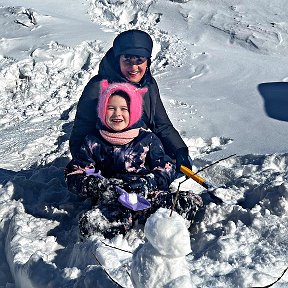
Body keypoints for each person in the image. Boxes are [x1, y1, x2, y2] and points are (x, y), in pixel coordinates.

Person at [65, 80, 202, 239]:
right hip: (115, 200)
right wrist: (100, 186)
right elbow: (74, 174)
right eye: (111, 108)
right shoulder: (93, 142)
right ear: (102, 111)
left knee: (186, 202)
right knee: (92, 224)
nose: (117, 113)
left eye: (124, 109)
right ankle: (116, 237)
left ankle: (169, 232)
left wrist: (148, 183)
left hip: (148, 196)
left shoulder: (147, 139)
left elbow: (166, 167)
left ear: (134, 112)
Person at [69, 29, 192, 173]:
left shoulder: (149, 85)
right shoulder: (99, 87)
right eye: (127, 60)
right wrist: (86, 168)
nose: (134, 67)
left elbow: (161, 124)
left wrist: (179, 150)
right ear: (118, 60)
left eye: (140, 60)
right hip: (105, 159)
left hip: (139, 155)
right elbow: (82, 130)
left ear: (148, 62)